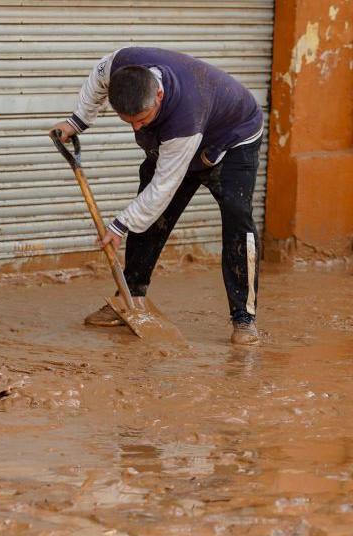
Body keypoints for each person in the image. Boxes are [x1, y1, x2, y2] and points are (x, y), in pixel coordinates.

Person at [52, 47, 263, 345]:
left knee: (238, 221)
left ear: (159, 97)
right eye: (129, 121)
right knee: (149, 219)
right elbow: (97, 79)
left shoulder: (185, 117)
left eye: (142, 118)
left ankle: (244, 319)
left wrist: (119, 225)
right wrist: (77, 122)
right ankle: (130, 299)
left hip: (232, 139)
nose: (136, 128)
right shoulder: (119, 64)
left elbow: (164, 186)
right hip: (176, 140)